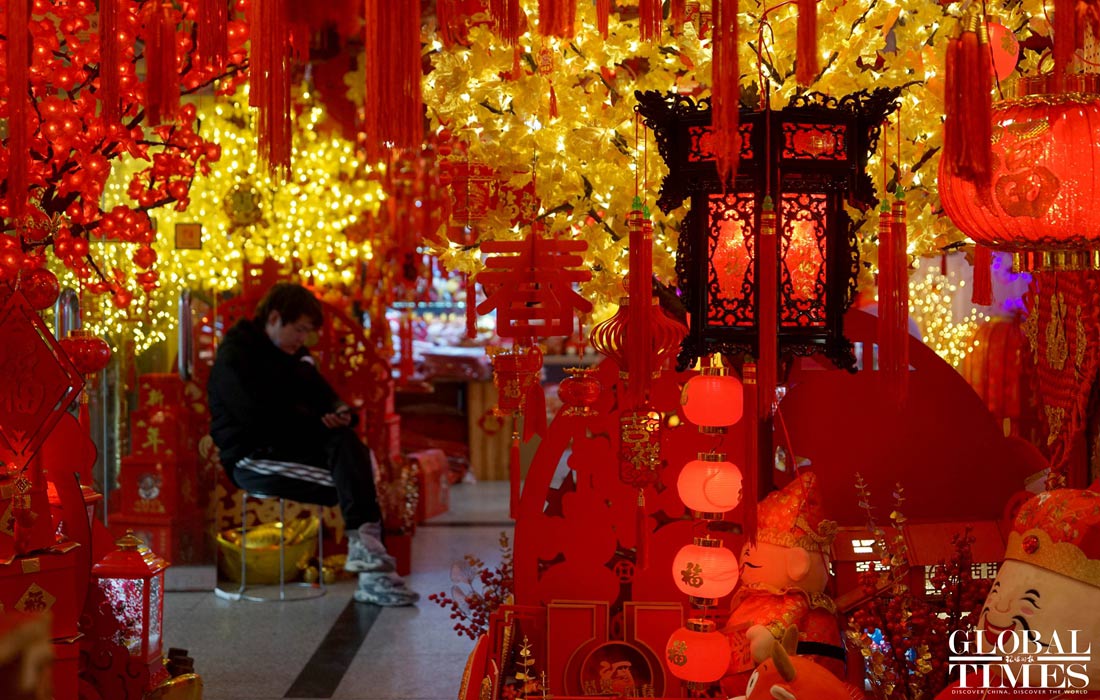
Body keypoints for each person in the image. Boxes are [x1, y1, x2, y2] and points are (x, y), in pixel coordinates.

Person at [207, 282, 417, 606]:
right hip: (252, 459)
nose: (302, 339)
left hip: (290, 449)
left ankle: (370, 564)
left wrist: (339, 413)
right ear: (274, 318)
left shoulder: (295, 357)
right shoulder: (236, 357)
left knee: (352, 454)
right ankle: (373, 573)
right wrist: (316, 423)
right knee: (357, 480)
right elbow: (260, 421)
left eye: (307, 332)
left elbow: (322, 396)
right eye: (299, 329)